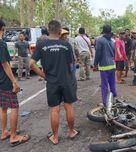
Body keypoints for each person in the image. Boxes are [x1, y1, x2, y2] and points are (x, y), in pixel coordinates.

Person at [30, 20, 79, 145]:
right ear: (59, 31)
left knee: (54, 110)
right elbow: (72, 64)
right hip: (67, 80)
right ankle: (72, 131)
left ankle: (55, 137)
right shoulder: (66, 45)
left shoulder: (41, 44)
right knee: (69, 107)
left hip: (52, 81)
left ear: (48, 29)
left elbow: (31, 64)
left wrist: (43, 75)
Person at [0, 19, 30, 147]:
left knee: (3, 107)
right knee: (14, 107)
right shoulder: (1, 44)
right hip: (5, 80)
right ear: (2, 29)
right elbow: (5, 64)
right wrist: (14, 82)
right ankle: (13, 136)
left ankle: (4, 131)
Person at [94, 25, 117, 106]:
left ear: (103, 31)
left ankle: (105, 102)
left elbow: (98, 53)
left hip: (104, 66)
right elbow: (115, 53)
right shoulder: (113, 41)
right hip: (112, 65)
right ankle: (114, 99)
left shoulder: (100, 40)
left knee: (104, 85)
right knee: (112, 83)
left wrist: (95, 64)